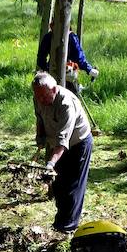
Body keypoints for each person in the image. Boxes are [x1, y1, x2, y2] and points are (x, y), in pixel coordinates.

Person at [32, 71, 93, 232]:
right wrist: (40, 139)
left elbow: (62, 141)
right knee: (58, 185)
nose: (41, 101)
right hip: (56, 143)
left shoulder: (66, 103)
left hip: (77, 143)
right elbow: (40, 118)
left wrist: (50, 163)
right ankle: (60, 223)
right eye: (38, 97)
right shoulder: (39, 96)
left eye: (45, 97)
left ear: (54, 89)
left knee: (72, 186)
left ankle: (68, 228)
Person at [36, 23, 98, 94]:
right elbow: (79, 58)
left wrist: (48, 70)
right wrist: (89, 69)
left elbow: (40, 60)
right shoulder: (71, 37)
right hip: (68, 74)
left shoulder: (47, 37)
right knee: (71, 98)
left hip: (52, 75)